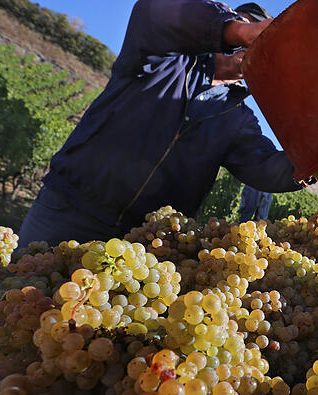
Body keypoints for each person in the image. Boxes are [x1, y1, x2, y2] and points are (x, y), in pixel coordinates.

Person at [18, 1, 302, 247]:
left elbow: (267, 169)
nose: (252, 43)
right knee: (24, 299)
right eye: (248, 28)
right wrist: (239, 30)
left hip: (146, 242)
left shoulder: (238, 117)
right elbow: (155, 11)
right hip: (68, 210)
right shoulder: (164, 58)